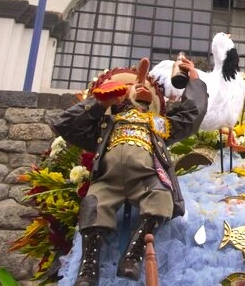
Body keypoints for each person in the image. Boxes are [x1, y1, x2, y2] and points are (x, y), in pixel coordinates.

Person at [52, 57, 207, 285]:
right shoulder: (104, 124)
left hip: (146, 180)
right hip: (107, 181)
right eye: (134, 84)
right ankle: (88, 267)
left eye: (145, 84)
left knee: (162, 198)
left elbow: (191, 115)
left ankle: (134, 255)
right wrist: (99, 104)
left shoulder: (158, 123)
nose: (141, 83)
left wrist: (194, 80)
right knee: (93, 204)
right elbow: (64, 124)